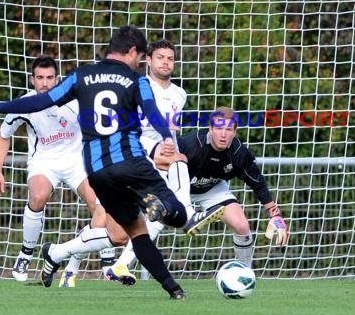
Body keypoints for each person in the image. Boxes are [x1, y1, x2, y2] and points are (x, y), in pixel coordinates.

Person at [0, 25, 198, 299]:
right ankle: (156, 206)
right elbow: (150, 110)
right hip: (130, 162)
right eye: (139, 56)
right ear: (131, 52)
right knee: (179, 215)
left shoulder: (81, 75)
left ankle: (174, 289)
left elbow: (42, 101)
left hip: (98, 173)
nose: (138, 62)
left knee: (135, 232)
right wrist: (166, 136)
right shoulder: (136, 79)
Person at [0, 55, 127, 284]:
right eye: (40, 78)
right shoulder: (24, 103)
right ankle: (26, 253)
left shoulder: (75, 100)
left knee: (101, 204)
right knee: (39, 195)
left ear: (57, 78)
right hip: (44, 161)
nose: (45, 83)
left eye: (50, 78)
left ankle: (104, 259)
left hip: (76, 160)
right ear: (32, 80)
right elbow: (4, 136)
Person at [107, 105, 288, 274]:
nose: (223, 134)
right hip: (179, 188)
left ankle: (245, 274)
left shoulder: (240, 154)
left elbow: (258, 184)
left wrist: (275, 215)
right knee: (156, 220)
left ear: (235, 132)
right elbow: (162, 165)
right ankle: (120, 266)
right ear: (210, 129)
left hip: (213, 189)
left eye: (228, 130)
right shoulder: (190, 145)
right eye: (218, 128)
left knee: (242, 225)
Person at [104, 39, 225, 281]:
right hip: (138, 148)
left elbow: (172, 130)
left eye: (170, 58)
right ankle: (190, 214)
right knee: (179, 161)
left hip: (164, 151)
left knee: (159, 214)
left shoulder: (180, 94)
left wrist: (169, 135)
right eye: (160, 57)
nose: (166, 62)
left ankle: (117, 264)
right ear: (148, 60)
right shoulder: (136, 86)